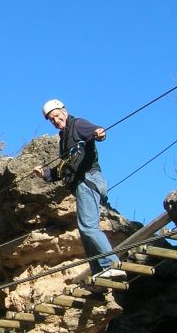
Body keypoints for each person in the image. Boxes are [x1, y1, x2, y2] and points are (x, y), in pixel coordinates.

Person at [32, 99, 125, 280]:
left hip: (88, 179)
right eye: (52, 120)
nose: (56, 121)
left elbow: (96, 132)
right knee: (84, 230)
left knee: (89, 227)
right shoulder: (64, 139)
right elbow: (64, 170)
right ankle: (99, 270)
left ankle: (111, 264)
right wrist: (44, 173)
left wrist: (99, 134)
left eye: (57, 116)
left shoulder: (78, 125)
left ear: (64, 111)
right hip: (81, 182)